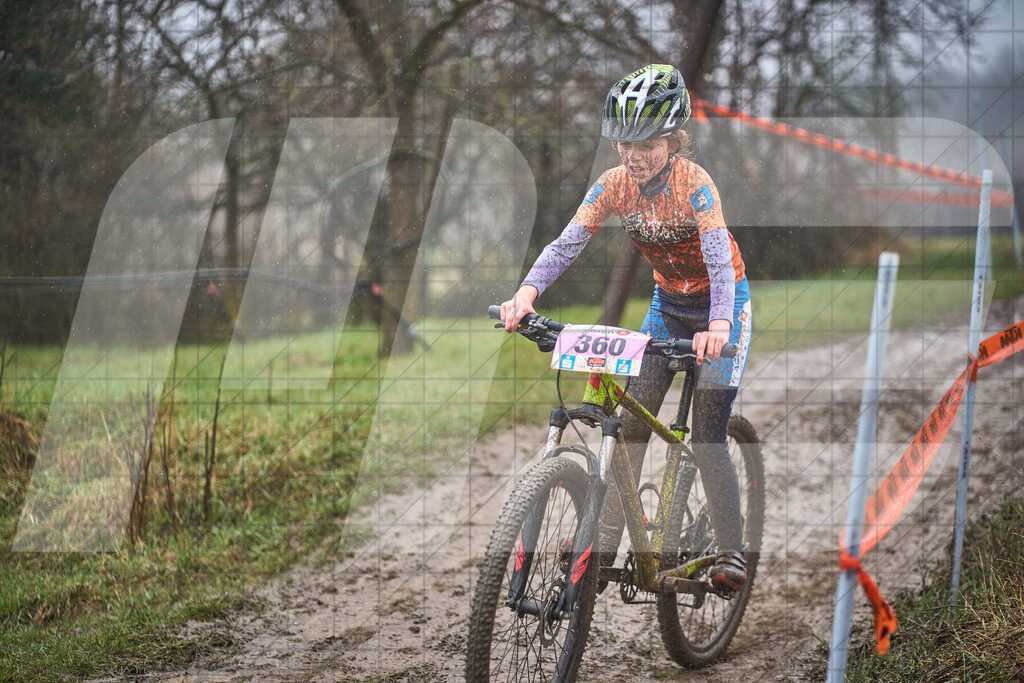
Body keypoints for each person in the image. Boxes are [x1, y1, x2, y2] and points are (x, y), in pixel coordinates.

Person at [499, 64, 752, 592]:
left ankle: (731, 550)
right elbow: (566, 244)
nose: (634, 156)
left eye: (648, 145)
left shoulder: (695, 185)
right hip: (667, 305)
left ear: (674, 141)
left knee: (708, 434)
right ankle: (605, 545)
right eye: (624, 144)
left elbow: (718, 260)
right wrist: (526, 294)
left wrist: (719, 323)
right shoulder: (613, 186)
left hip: (721, 306)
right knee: (631, 426)